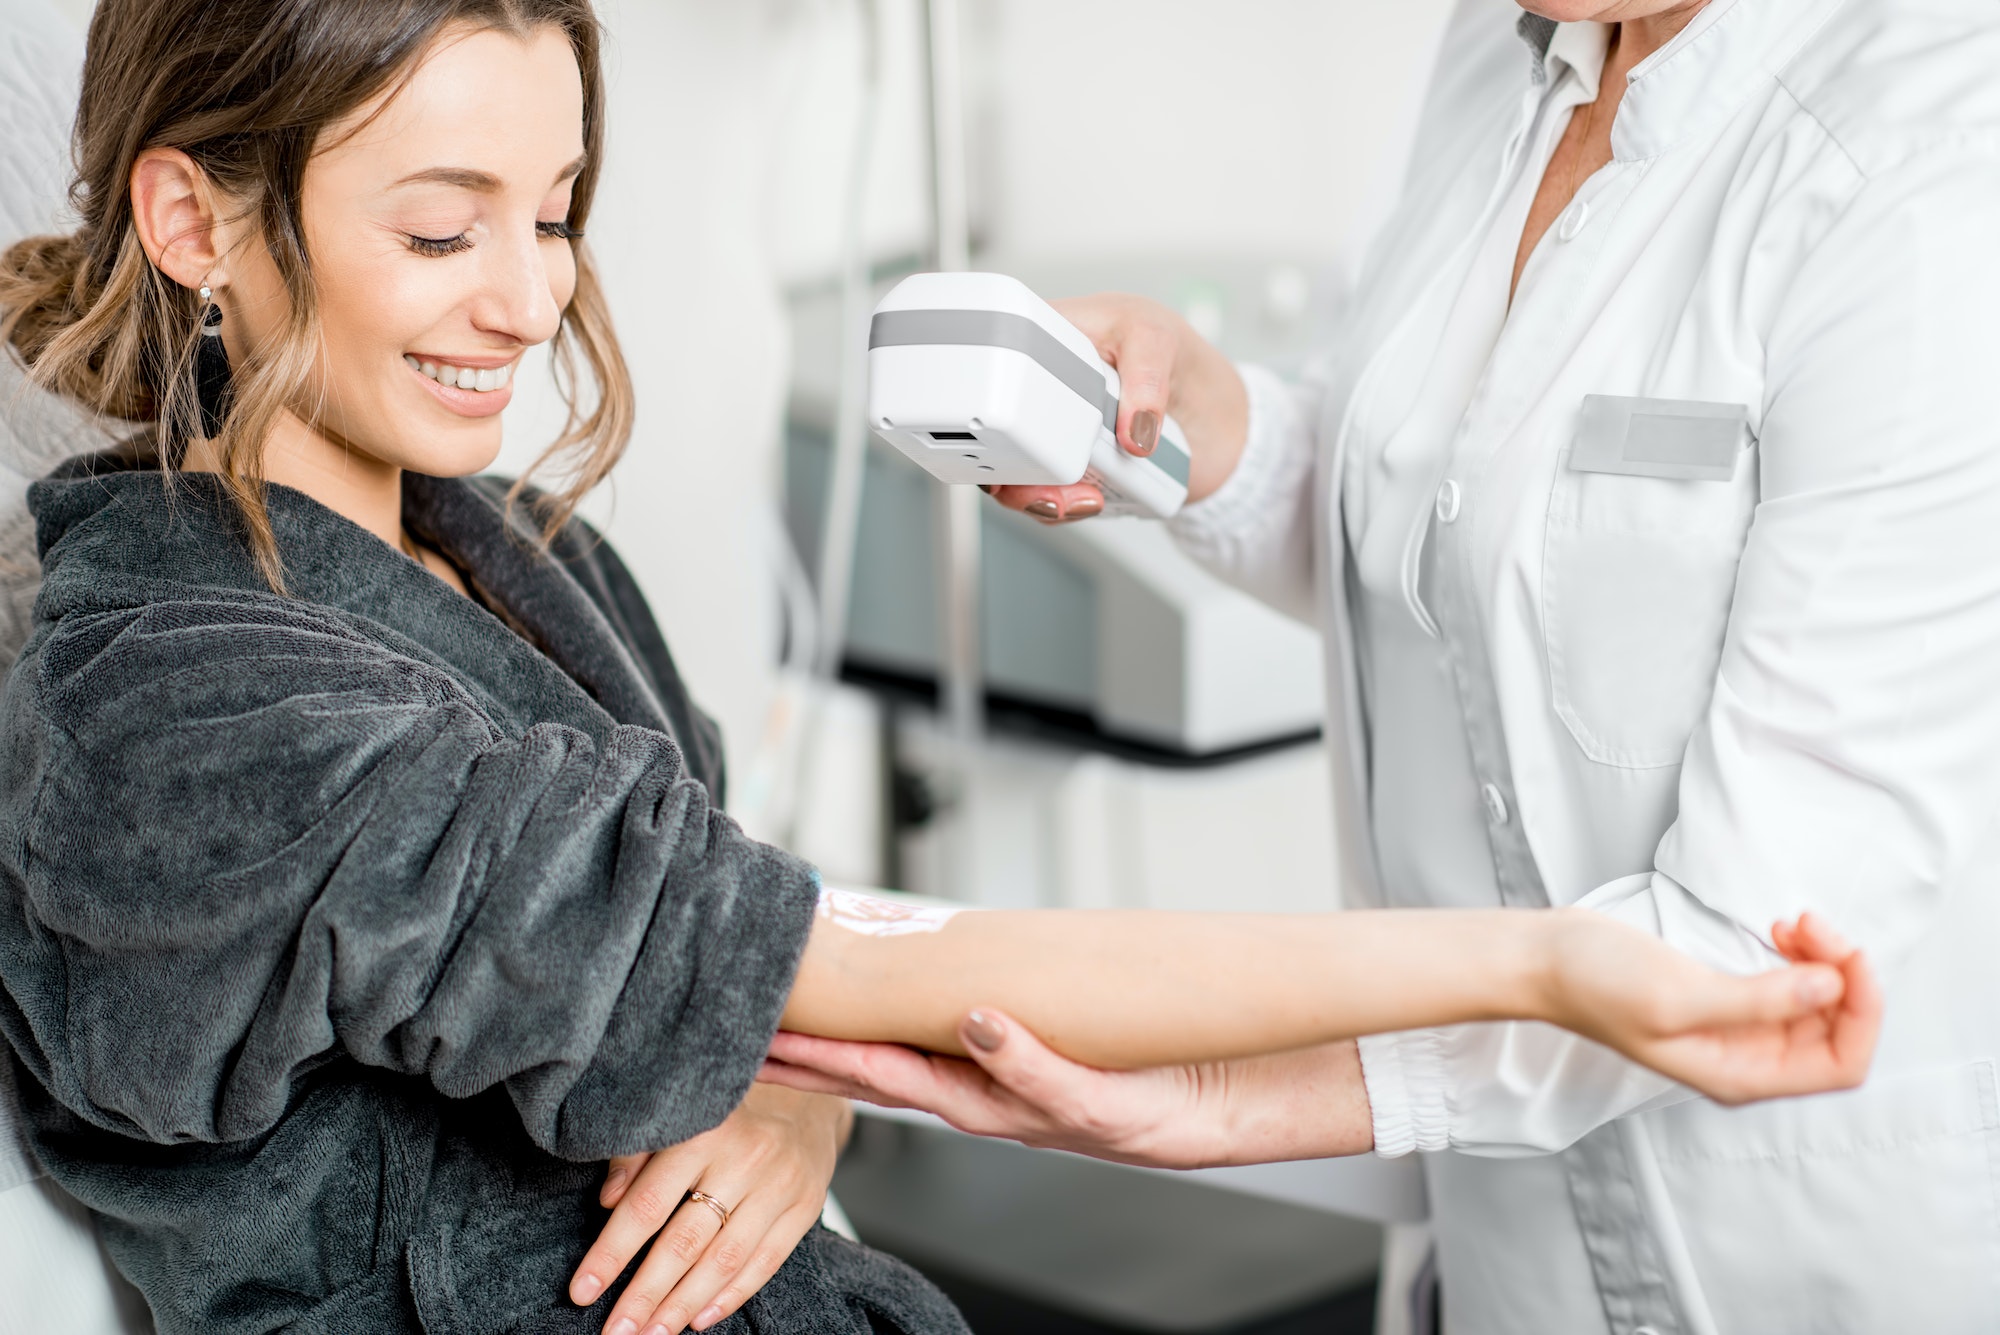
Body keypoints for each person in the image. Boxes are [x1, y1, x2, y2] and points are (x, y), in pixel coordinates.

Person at [0, 2, 1880, 1334]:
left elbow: (744, 955)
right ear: (197, 223)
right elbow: (818, 951)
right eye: (439, 225)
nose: (531, 295)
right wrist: (1550, 963)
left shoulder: (530, 564)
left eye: (556, 211)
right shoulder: (173, 712)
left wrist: (795, 1081)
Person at [763, 0, 2000, 1331]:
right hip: (1490, 1259)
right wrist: (1212, 427)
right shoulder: (1503, 51)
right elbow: (1458, 549)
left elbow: (1756, 950)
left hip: (1795, 1253)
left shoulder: (1934, 157)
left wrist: (1226, 1098)